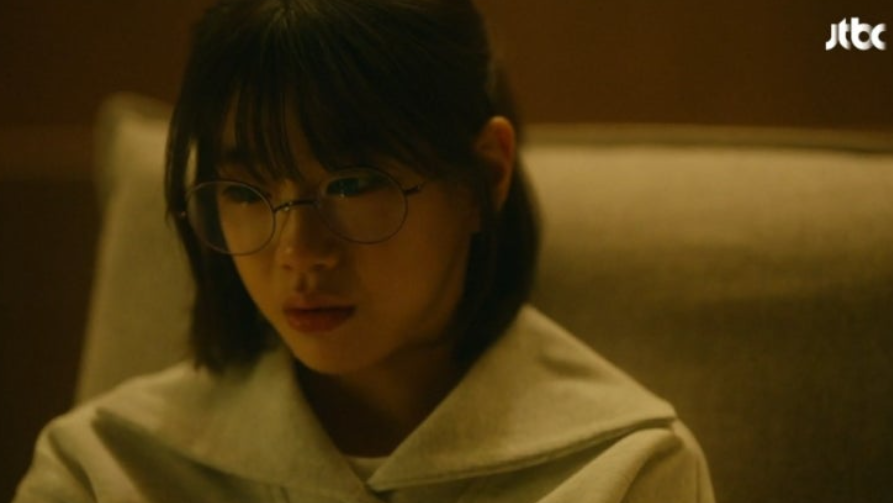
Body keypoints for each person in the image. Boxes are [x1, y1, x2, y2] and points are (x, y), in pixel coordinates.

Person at [14, 0, 715, 501]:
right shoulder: (107, 467)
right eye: (245, 191)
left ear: (484, 176)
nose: (300, 251)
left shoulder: (623, 469)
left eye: (352, 185)